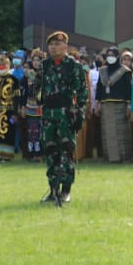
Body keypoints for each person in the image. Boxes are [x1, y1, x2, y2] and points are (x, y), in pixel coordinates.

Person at [38, 32, 87, 206]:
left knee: (66, 151)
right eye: (51, 44)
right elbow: (37, 89)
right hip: (48, 114)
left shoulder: (74, 66)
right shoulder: (44, 66)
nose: (53, 47)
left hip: (66, 114)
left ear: (65, 47)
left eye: (57, 44)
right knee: (51, 151)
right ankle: (53, 190)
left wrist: (79, 112)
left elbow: (82, 91)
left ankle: (65, 191)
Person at [96, 48, 133, 163]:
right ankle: (109, 157)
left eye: (112, 55)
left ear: (117, 56)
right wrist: (97, 103)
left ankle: (123, 157)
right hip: (105, 105)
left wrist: (129, 105)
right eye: (108, 55)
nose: (110, 57)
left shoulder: (124, 71)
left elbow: (128, 89)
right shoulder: (102, 71)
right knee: (107, 132)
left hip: (120, 104)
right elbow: (99, 88)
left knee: (120, 132)